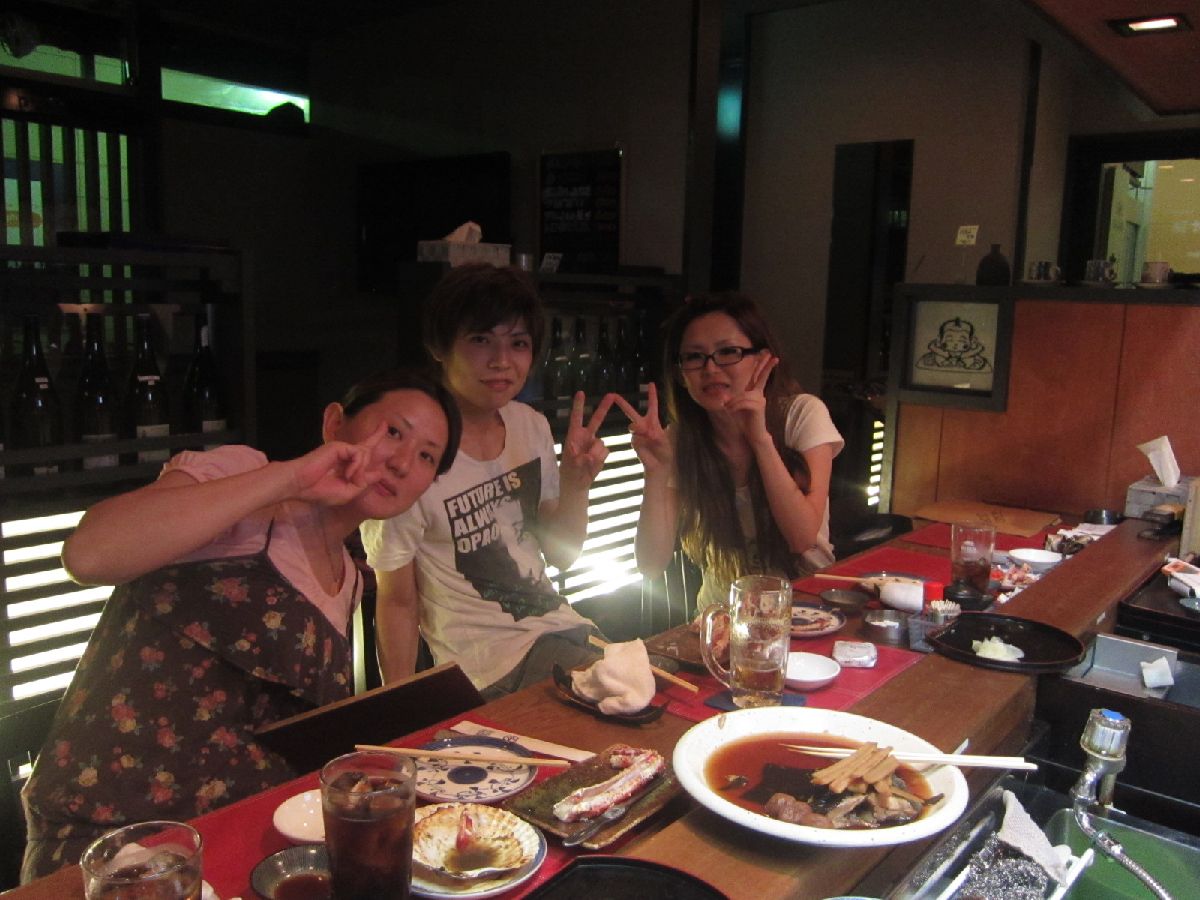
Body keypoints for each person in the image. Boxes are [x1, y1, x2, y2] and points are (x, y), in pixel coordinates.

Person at [20, 369, 461, 880]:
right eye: (394, 432)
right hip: (109, 844)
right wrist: (294, 478)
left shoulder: (348, 580)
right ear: (335, 423)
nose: (402, 462)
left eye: (427, 456)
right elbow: (89, 554)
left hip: (235, 848)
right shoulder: (243, 477)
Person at [362, 264, 613, 698]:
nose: (502, 361)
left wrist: (576, 484)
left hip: (566, 632)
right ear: (439, 347)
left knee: (666, 699)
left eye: (518, 343)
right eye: (481, 340)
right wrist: (400, 709)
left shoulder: (529, 425)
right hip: (491, 668)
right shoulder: (409, 454)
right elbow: (397, 599)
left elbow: (562, 555)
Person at [613, 292, 844, 611]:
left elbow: (801, 538)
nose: (710, 368)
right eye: (694, 357)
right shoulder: (679, 440)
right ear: (681, 374)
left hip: (807, 609)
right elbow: (650, 564)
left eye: (727, 352)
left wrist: (760, 439)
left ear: (762, 359)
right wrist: (656, 474)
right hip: (723, 616)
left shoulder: (802, 415)